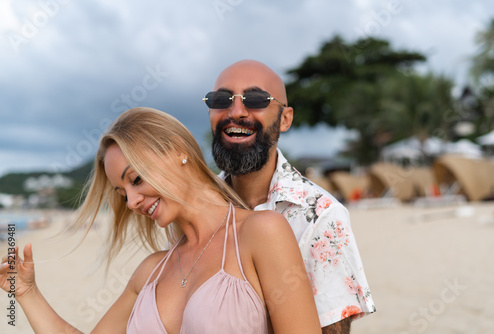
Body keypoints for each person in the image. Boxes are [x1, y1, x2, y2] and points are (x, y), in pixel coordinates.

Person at [0, 107, 321, 333]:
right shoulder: (150, 271)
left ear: (177, 151)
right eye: (122, 192)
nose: (132, 201)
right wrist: (27, 292)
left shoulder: (260, 233)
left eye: (136, 179)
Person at [204, 60, 376, 333]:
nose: (235, 111)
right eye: (221, 99)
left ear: (285, 119)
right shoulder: (197, 207)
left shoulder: (320, 215)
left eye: (256, 99)